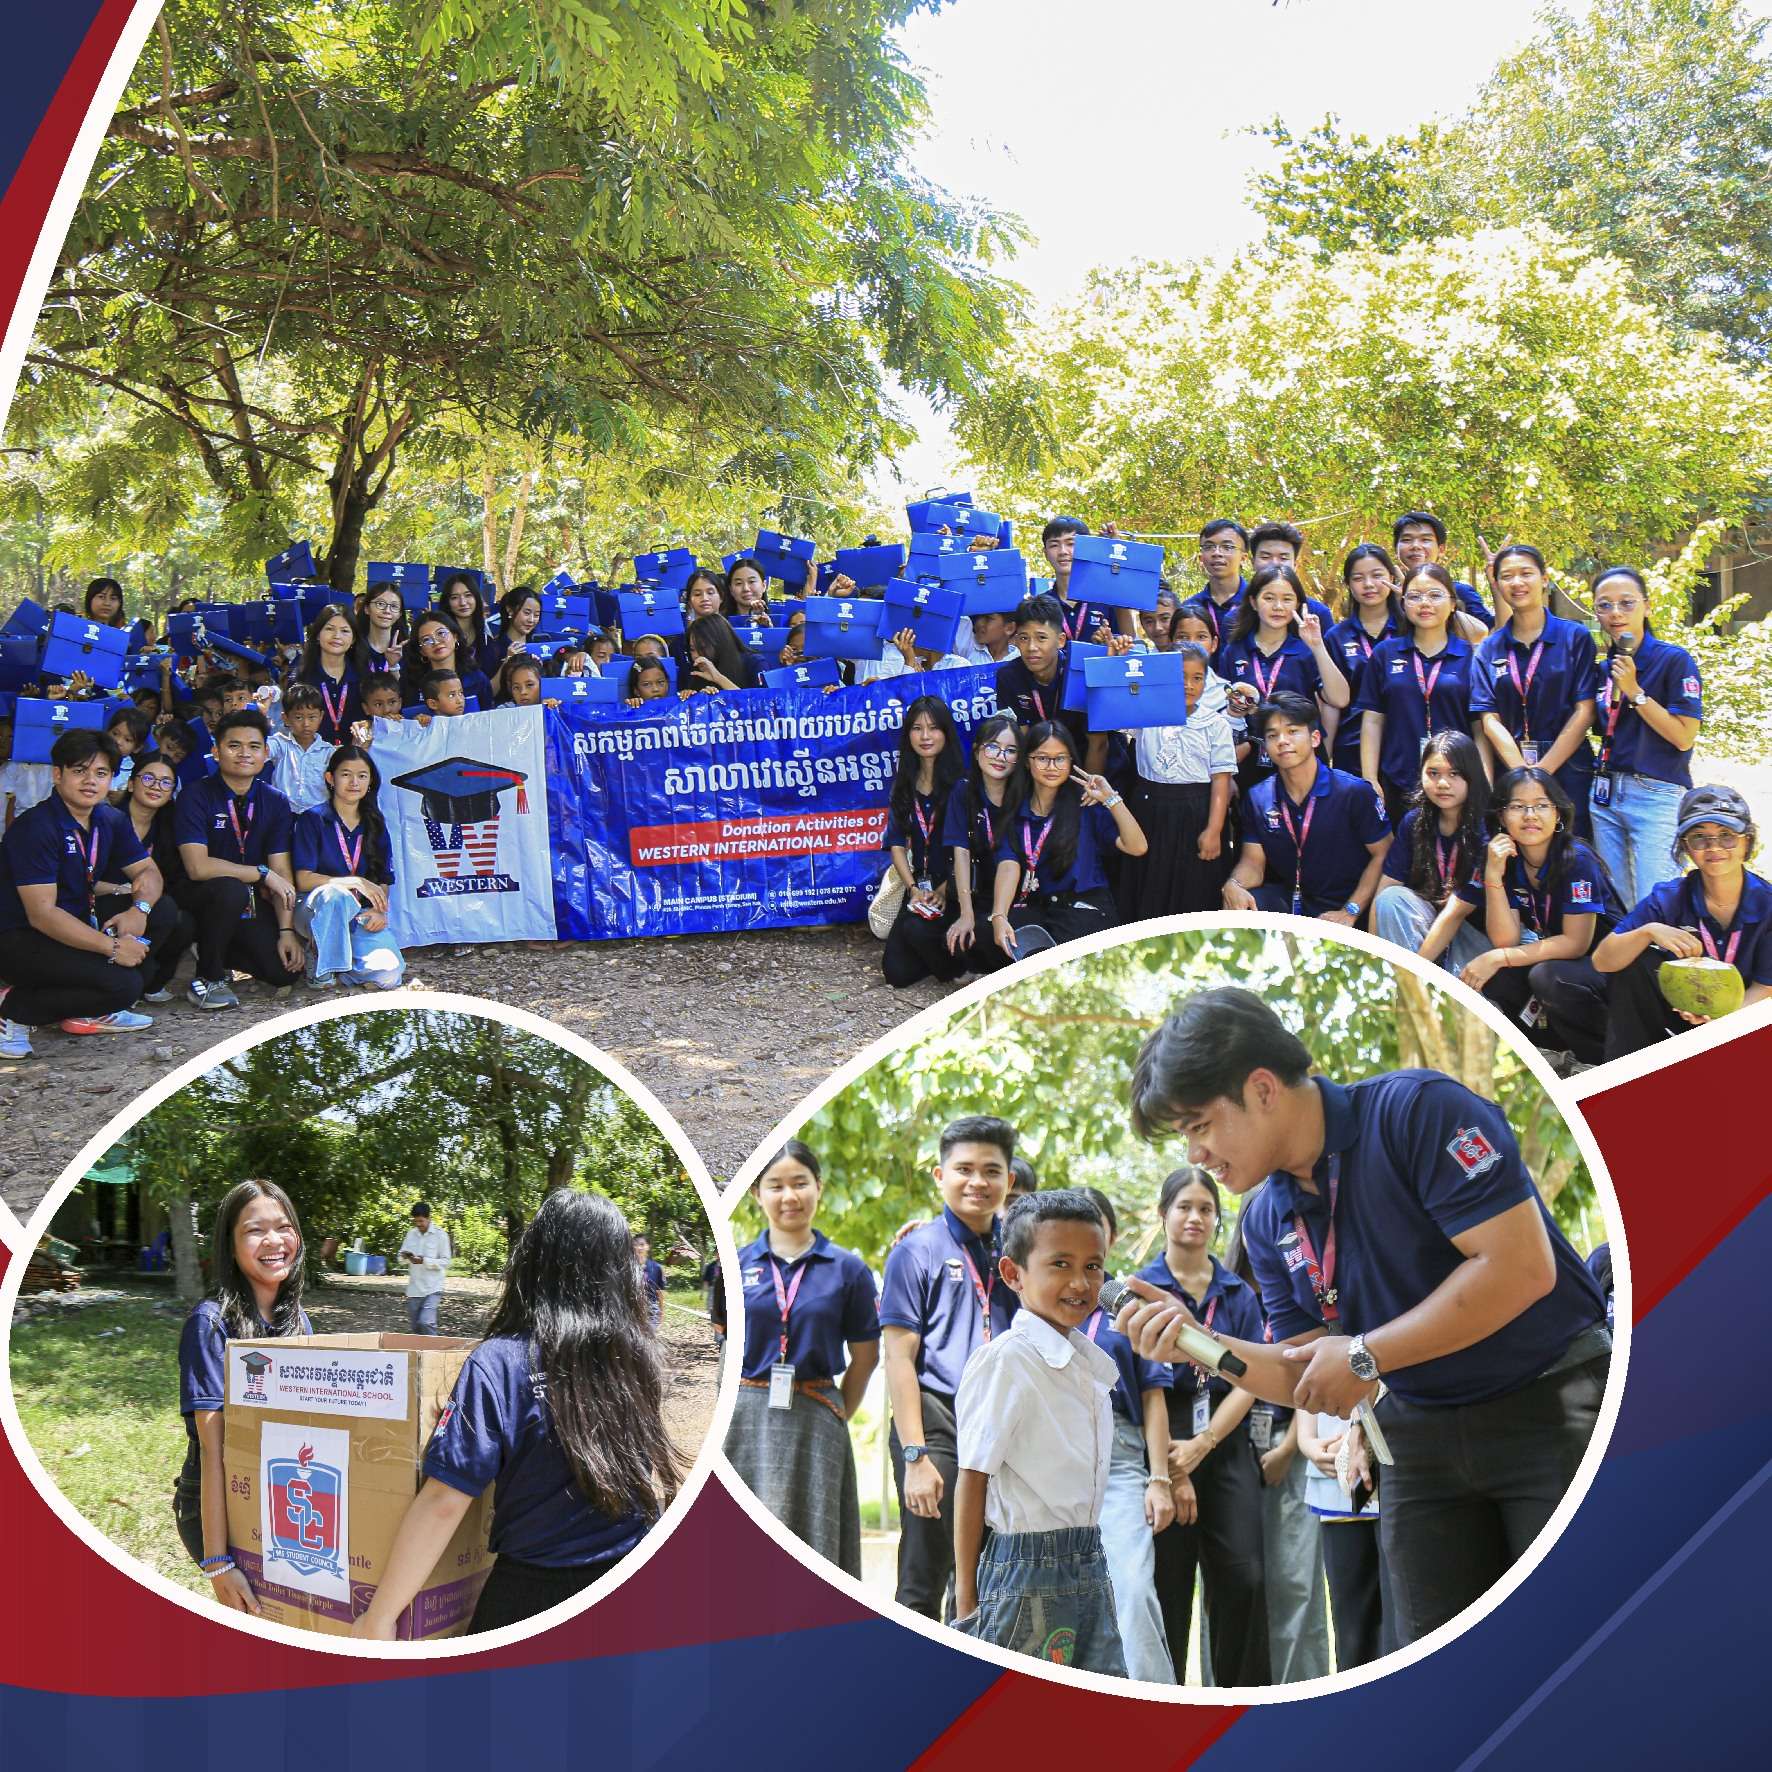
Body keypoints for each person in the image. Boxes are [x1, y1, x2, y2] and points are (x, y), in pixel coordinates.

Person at [1116, 987, 1609, 1648]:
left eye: (1199, 1126)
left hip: (1552, 1405)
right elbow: (1305, 1376)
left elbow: (1520, 1268)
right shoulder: (1267, 1220)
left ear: (1262, 1089)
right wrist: (1196, 1344)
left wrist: (1364, 1356)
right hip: (1419, 1437)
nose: (1194, 1156)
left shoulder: (1420, 1112)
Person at [354, 1190, 684, 1636]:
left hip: (537, 1590)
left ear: (534, 1260)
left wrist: (378, 1617)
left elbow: (443, 1502)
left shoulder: (502, 1362)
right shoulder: (638, 1353)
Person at [952, 1189, 1127, 1676]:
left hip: (1088, 1558)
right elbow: (973, 1478)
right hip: (1025, 1572)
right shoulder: (1007, 1361)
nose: (1080, 1282)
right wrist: (968, 1599)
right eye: (1060, 1264)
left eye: (1094, 1266)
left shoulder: (1085, 1364)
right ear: (1014, 1274)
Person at [879, 1115, 1019, 1621]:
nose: (977, 1182)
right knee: (923, 1575)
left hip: (1001, 1425)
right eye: (964, 1169)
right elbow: (898, 1356)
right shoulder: (917, 1250)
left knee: (984, 1581)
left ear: (1009, 1180)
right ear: (940, 1176)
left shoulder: (1021, 1251)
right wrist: (915, 1456)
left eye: (991, 1171)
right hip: (935, 1423)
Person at [1135, 1166, 1269, 1687]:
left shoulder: (1238, 1294)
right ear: (1163, 1214)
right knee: (1167, 1589)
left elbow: (1251, 1378)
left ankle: (1245, 1705)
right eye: (1184, 1206)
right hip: (1163, 1450)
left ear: (1218, 1219)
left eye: (1206, 1209)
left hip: (1227, 1447)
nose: (1195, 1217)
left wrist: (1206, 1443)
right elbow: (1149, 1385)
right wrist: (1176, 1468)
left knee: (1244, 1579)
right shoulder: (1145, 1290)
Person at [723, 1141, 881, 1578]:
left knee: (816, 1544)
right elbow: (722, 1347)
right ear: (757, 1194)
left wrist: (838, 1411)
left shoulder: (848, 1270)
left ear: (818, 1187)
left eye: (799, 1183)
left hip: (816, 1418)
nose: (788, 1196)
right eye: (775, 1186)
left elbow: (866, 1356)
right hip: (744, 1422)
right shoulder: (734, 1268)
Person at [175, 1179, 313, 1614]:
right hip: (218, 1505)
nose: (274, 1241)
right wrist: (218, 1562)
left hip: (283, 1493)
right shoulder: (210, 1325)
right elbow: (215, 1451)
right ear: (230, 1246)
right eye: (255, 1230)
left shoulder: (299, 1323)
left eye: (284, 1227)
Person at [0, 730, 171, 1056]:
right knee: (125, 984)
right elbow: (42, 915)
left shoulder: (109, 818)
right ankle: (12, 1010)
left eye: (101, 773)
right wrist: (113, 947)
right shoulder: (36, 827)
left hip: (75, 921)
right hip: (19, 938)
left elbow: (149, 872)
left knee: (163, 914)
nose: (90, 781)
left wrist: (140, 911)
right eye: (79, 771)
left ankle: (86, 1007)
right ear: (57, 774)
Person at [1584, 784, 1772, 1061]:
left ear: (1746, 841)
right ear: (1685, 846)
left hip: (1740, 1017)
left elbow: (1765, 989)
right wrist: (1648, 931)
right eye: (1699, 838)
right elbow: (1602, 961)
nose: (1714, 847)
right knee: (1635, 961)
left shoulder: (1767, 904)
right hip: (1679, 1013)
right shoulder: (1669, 897)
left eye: (1727, 836)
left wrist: (1721, 1021)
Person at [1077, 1187, 1176, 1683]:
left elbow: (1155, 1396)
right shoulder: (1034, 1301)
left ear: (1109, 1237)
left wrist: (1160, 1479)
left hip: (1119, 1462)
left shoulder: (1129, 1308)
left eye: (1093, 1225)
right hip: (1049, 1466)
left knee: (1133, 1594)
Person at [1454, 767, 1622, 1060]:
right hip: (1568, 964)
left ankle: (1603, 1056)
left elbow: (1576, 943)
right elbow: (1505, 939)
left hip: (1610, 968)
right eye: (1518, 807)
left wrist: (1499, 957)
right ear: (1502, 817)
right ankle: (1557, 1051)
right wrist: (1493, 875)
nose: (1530, 815)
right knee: (1501, 977)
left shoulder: (1576, 859)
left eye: (1542, 805)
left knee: (1546, 975)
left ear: (1557, 814)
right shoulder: (1508, 861)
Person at [172, 707, 304, 1009]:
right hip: (198, 896)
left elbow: (280, 868)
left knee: (283, 973)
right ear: (216, 752)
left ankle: (213, 945)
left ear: (266, 753)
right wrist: (261, 874)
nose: (244, 753)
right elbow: (197, 867)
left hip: (248, 903)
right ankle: (208, 978)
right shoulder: (195, 795)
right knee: (229, 888)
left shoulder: (274, 801)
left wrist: (286, 931)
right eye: (234, 745)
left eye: (254, 746)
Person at [1587, 565, 1703, 904]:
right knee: (1617, 906)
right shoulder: (1604, 666)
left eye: (1626, 603)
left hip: (1656, 793)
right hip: (1605, 793)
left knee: (1658, 901)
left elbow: (1684, 737)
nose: (1615, 613)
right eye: (1604, 605)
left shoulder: (1674, 661)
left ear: (1647, 606)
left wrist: (1635, 692)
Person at [1223, 694, 1391, 923]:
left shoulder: (1353, 792)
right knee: (1241, 904)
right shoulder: (1258, 796)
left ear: (1314, 738)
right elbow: (1253, 863)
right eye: (1272, 735)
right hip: (1292, 899)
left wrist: (1350, 911)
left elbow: (1384, 853)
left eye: (1292, 732)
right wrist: (1235, 884)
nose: (1282, 740)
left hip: (1348, 905)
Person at [989, 721, 1148, 959]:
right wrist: (999, 916)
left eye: (1060, 758)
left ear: (1071, 761)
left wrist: (1111, 798)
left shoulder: (1086, 804)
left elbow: (1137, 847)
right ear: (1026, 760)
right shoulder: (1017, 809)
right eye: (1042, 758)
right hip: (1043, 906)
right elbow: (1008, 864)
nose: (1051, 766)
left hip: (1085, 909)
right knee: (990, 933)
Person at [1470, 544, 1600, 832]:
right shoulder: (1489, 648)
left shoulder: (1574, 637)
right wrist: (1522, 775)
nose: (1517, 582)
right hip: (1511, 768)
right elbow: (1489, 719)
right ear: (1497, 583)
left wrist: (1541, 772)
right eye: (1507, 576)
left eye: (1526, 573)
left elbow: (1585, 710)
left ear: (1544, 578)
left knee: (1573, 854)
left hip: (1568, 767)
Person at [1120, 642, 1237, 920]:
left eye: (1197, 678)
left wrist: (1214, 829)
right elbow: (1116, 703)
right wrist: (1119, 660)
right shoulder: (1146, 714)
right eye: (1179, 676)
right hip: (1149, 811)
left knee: (1193, 889)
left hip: (1195, 812)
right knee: (1150, 885)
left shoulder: (1215, 724)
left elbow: (1221, 780)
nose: (1188, 684)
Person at [1354, 563, 1477, 827]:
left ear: (1453, 603)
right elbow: (1373, 720)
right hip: (1399, 778)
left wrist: (1482, 780)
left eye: (1435, 595)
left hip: (1457, 780)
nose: (1425, 603)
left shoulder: (1470, 656)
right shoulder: (1385, 654)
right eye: (1414, 596)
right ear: (1403, 603)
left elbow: (1479, 726)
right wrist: (1370, 778)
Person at [1372, 731, 1495, 973]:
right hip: (1426, 926)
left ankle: (1415, 989)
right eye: (1433, 773)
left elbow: (1457, 912)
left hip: (1474, 935)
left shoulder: (1487, 829)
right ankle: (1413, 997)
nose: (1442, 783)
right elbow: (1386, 887)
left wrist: (1413, 972)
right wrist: (1374, 958)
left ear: (1473, 776)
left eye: (1454, 774)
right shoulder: (1414, 822)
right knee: (1391, 899)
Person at [290, 742, 404, 991]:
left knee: (389, 974)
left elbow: (383, 878)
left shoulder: (375, 822)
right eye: (346, 774)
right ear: (330, 778)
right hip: (314, 910)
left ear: (371, 781)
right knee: (336, 895)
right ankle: (321, 964)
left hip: (358, 914)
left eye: (362, 776)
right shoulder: (313, 819)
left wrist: (378, 911)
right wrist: (353, 881)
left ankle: (342, 966)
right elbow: (303, 879)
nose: (354, 782)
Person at [1217, 566, 1350, 770]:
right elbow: (1221, 709)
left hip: (1299, 756)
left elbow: (1340, 699)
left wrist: (1317, 646)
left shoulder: (1306, 651)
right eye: (1269, 598)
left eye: (1287, 599)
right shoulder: (1235, 650)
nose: (1278, 606)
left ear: (1297, 604)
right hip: (1247, 758)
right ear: (1253, 601)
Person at [881, 696, 967, 987]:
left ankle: (958, 967)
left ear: (946, 732)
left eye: (933, 728)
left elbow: (971, 848)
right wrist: (914, 889)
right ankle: (938, 952)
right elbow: (896, 844)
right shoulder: (904, 781)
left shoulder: (962, 783)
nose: (926, 736)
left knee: (917, 933)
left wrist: (946, 889)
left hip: (956, 888)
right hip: (921, 888)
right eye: (917, 728)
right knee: (895, 973)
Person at [1298, 1405, 1392, 1669]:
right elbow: (1302, 1369)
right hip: (1337, 1472)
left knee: (1405, 1619)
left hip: (1397, 1450)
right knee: (1352, 1628)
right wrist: (1306, 1440)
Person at [941, 712, 1025, 974]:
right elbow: (961, 854)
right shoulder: (964, 791)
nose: (1000, 757)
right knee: (941, 942)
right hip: (977, 892)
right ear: (977, 750)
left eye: (1010, 750)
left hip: (1019, 897)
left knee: (989, 940)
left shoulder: (1025, 793)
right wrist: (965, 913)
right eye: (993, 747)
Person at [109, 753, 196, 1004]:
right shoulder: (109, 820)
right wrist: (121, 890)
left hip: (148, 903)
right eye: (148, 778)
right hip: (107, 899)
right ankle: (122, 982)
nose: (157, 786)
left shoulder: (168, 826)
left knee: (184, 919)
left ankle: (150, 982)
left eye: (166, 782)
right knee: (166, 909)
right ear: (131, 783)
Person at [1323, 544, 1403, 777]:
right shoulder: (1336, 637)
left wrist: (1409, 597)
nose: (1368, 585)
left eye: (1377, 576)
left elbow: (1478, 632)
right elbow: (1332, 705)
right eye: (1358, 578)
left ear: (1392, 577)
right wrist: (1324, 759)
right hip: (1352, 749)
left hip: (1404, 746)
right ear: (1348, 584)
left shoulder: (1411, 629)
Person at [1392, 511, 1494, 628]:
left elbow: (1495, 635)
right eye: (1407, 540)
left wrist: (1495, 584)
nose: (1415, 545)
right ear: (1396, 549)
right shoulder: (1386, 595)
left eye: (1425, 539)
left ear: (1441, 549)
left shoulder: (1460, 592)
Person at [294, 605, 365, 746]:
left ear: (354, 639)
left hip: (353, 758)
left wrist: (367, 726)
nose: (337, 636)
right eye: (329, 629)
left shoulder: (363, 676)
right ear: (317, 635)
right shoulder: (301, 677)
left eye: (345, 631)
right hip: (310, 758)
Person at [266, 683, 333, 812]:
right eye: (298, 717)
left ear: (321, 717)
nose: (306, 724)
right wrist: (262, 713)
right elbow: (259, 750)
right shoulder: (280, 744)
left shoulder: (328, 752)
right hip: (284, 813)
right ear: (285, 718)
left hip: (318, 816)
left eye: (312, 717)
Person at [403, 612, 492, 707]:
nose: (436, 642)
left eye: (441, 633)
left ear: (455, 636)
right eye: (426, 640)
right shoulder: (412, 683)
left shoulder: (477, 679)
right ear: (421, 651)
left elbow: (488, 717)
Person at [398, 1201, 451, 1332]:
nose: (418, 1224)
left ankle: (434, 1352)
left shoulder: (441, 1235)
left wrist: (424, 1261)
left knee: (426, 1323)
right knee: (416, 1328)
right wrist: (406, 1257)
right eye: (415, 1221)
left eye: (421, 1221)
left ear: (429, 1218)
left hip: (433, 1288)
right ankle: (418, 1353)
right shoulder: (411, 1234)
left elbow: (446, 1262)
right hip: (414, 1288)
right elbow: (400, 1258)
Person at [682, 613, 762, 695]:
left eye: (702, 648)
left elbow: (758, 704)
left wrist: (719, 678)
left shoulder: (754, 663)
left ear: (720, 644)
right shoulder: (694, 670)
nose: (695, 655)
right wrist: (691, 697)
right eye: (692, 649)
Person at [436, 571, 492, 673]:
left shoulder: (486, 635)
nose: (462, 602)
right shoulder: (440, 636)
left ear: (476, 598)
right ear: (447, 602)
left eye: (468, 595)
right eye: (455, 597)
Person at [356, 580, 408, 677]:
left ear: (400, 614)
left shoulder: (406, 651)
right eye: (380, 604)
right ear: (367, 608)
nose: (387, 611)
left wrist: (393, 666)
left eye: (394, 606)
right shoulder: (353, 647)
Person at [634, 1233, 665, 1325]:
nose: (639, 1248)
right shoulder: (627, 1267)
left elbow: (660, 1292)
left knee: (650, 1338)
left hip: (651, 1309)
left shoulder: (656, 1267)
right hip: (632, 1310)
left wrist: (661, 1313)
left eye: (642, 1245)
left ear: (648, 1247)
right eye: (635, 1245)